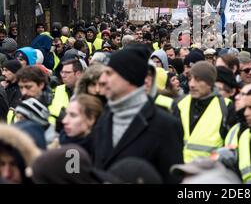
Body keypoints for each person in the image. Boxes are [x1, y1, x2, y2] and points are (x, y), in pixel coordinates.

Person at [92, 45, 184, 183]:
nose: (102, 80)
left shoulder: (165, 126)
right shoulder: (104, 118)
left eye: (109, 73)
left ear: (130, 76)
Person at [177, 61, 234, 163]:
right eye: (190, 79)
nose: (192, 84)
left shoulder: (227, 107)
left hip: (210, 174)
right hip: (180, 172)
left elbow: (230, 150)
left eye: (198, 80)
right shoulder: (180, 103)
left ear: (210, 82)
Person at [50, 59, 84, 125]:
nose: (63, 75)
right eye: (62, 72)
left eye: (67, 72)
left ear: (78, 74)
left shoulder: (88, 91)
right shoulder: (58, 89)